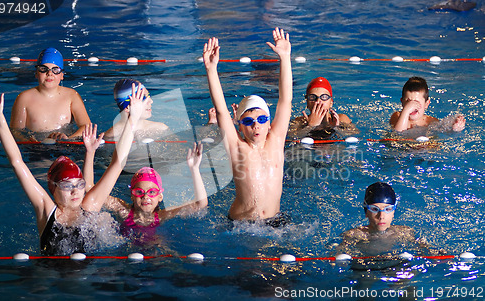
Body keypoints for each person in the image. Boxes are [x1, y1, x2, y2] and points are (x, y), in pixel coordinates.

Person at [0, 82, 145, 255]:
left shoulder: (91, 206)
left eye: (79, 184)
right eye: (68, 186)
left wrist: (133, 119)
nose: (76, 192)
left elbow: (117, 163)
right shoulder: (46, 210)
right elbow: (17, 162)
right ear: (53, 188)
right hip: (51, 277)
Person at [202, 27, 292, 225]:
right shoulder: (237, 147)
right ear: (239, 126)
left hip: (274, 221)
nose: (256, 126)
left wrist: (285, 58)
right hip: (240, 224)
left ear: (269, 123)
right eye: (248, 121)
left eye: (261, 120)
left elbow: (285, 101)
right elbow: (221, 111)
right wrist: (211, 69)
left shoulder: (276, 141)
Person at [84, 131, 207, 244]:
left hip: (154, 247)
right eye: (139, 191)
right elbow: (90, 190)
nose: (146, 196)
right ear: (132, 196)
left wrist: (195, 169)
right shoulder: (122, 210)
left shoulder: (164, 215)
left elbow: (200, 204)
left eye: (152, 192)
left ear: (160, 196)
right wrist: (90, 152)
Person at [336, 182, 442, 257]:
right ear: (366, 212)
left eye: (388, 209)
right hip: (364, 267)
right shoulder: (354, 235)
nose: (381, 216)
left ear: (393, 212)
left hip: (394, 263)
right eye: (374, 209)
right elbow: (337, 251)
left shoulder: (404, 232)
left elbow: (424, 248)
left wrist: (434, 253)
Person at [10, 47, 91, 141]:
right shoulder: (24, 98)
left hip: (66, 146)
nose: (49, 73)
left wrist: (67, 140)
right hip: (35, 148)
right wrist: (29, 141)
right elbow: (15, 131)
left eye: (55, 70)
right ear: (36, 73)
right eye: (43, 69)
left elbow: (86, 127)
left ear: (62, 75)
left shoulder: (72, 96)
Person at [288, 76, 356, 139]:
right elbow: (291, 137)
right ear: (307, 103)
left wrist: (336, 128)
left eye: (324, 97)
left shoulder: (342, 119)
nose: (318, 101)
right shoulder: (299, 122)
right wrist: (310, 126)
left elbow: (355, 135)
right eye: (312, 97)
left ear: (331, 103)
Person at [390, 76, 465, 132]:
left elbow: (443, 134)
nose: (411, 106)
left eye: (416, 102)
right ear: (402, 102)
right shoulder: (396, 116)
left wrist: (454, 130)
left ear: (426, 104)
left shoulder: (430, 122)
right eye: (408, 102)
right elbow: (398, 134)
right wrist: (406, 111)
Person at [104, 79, 170, 141]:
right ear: (127, 107)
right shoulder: (111, 136)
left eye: (148, 96)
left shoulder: (161, 128)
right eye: (143, 98)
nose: (151, 101)